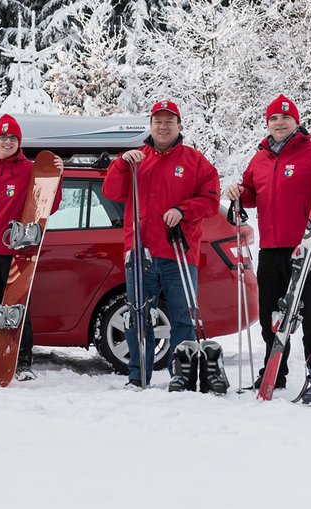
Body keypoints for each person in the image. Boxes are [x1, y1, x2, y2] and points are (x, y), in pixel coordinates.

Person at [224, 94, 311, 389]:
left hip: (307, 246)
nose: (279, 123)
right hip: (271, 249)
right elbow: (252, 195)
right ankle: (274, 373)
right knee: (271, 314)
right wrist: (238, 192)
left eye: (285, 118)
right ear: (268, 124)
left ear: (297, 122)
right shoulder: (259, 158)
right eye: (274, 119)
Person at [102, 100, 220, 389]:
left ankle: (181, 373)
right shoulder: (135, 160)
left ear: (179, 126)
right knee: (137, 314)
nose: (163, 127)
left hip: (180, 252)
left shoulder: (195, 161)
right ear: (151, 126)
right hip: (140, 253)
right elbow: (111, 191)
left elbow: (211, 200)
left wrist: (183, 210)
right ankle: (138, 374)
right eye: (158, 121)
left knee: (183, 317)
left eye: (169, 122)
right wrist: (119, 164)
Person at [0, 114, 64, 380]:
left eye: (12, 138)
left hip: (16, 252)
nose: (7, 142)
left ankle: (23, 361)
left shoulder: (29, 169)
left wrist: (58, 177)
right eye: (3, 137)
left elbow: (47, 205)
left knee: (17, 308)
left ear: (19, 142)